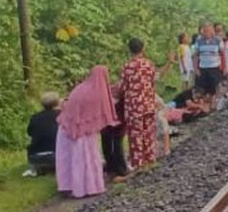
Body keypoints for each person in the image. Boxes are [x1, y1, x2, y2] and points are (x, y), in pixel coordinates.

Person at [56, 65, 117, 198]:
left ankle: (70, 186)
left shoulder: (81, 87)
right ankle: (89, 187)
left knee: (71, 159)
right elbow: (102, 112)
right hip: (83, 131)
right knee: (87, 159)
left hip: (67, 127)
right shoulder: (97, 92)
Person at [118, 38, 158, 171]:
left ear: (130, 49)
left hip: (133, 106)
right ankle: (150, 158)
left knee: (135, 134)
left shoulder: (127, 66)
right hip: (148, 103)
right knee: (148, 131)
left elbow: (123, 87)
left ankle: (138, 162)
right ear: (143, 48)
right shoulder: (149, 64)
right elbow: (153, 81)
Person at [25, 92, 60, 176]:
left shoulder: (35, 117)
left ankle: (39, 168)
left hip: (34, 156)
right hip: (56, 155)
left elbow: (29, 132)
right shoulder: (61, 115)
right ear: (57, 103)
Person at [193, 23, 224, 112]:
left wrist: (223, 67)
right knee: (203, 88)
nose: (206, 32)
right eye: (205, 30)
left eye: (208, 30)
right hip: (203, 67)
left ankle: (214, 104)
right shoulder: (199, 41)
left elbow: (222, 54)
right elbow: (196, 55)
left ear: (212, 31)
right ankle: (206, 106)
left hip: (214, 66)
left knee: (215, 86)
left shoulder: (218, 41)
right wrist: (196, 68)